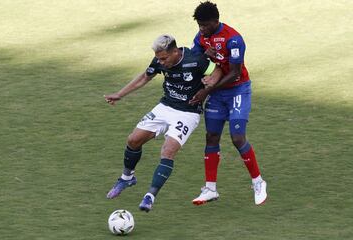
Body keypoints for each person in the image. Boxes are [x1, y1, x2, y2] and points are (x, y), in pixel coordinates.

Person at [104, 34, 222, 212]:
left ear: (175, 52)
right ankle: (127, 178)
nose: (161, 62)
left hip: (188, 113)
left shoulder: (195, 59)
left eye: (164, 58)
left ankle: (150, 196)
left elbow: (217, 70)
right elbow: (145, 77)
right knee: (133, 140)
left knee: (167, 151)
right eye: (158, 58)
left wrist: (211, 83)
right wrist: (120, 94)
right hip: (165, 106)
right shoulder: (159, 60)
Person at [189, 1, 267, 205]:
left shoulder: (233, 39)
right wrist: (203, 56)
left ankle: (258, 182)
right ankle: (210, 189)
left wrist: (207, 91)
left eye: (205, 25)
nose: (202, 30)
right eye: (199, 25)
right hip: (217, 93)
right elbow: (194, 60)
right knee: (212, 137)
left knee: (237, 137)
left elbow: (233, 74)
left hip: (237, 90)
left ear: (216, 21)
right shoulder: (201, 37)